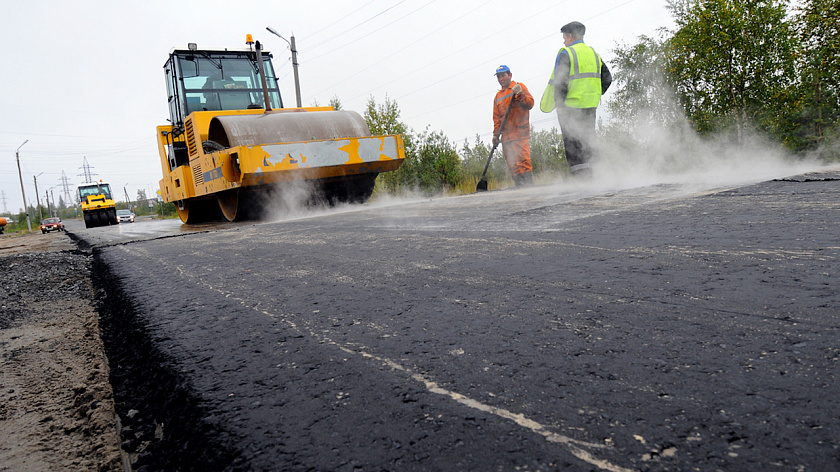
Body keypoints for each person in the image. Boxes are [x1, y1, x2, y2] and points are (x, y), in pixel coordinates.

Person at [540, 21, 612, 177]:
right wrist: (595, 94)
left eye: (564, 37)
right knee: (589, 142)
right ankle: (597, 178)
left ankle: (581, 182)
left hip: (570, 108)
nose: (564, 41)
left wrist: (560, 105)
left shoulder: (567, 53)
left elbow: (560, 83)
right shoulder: (594, 54)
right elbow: (607, 78)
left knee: (573, 145)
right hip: (590, 107)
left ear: (570, 36)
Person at [493, 65, 535, 186]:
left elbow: (530, 104)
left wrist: (520, 94)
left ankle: (529, 188)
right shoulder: (498, 97)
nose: (501, 79)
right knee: (513, 164)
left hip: (520, 133)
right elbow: (496, 119)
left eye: (503, 76)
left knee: (523, 161)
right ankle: (519, 189)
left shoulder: (519, 87)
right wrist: (496, 136)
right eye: (499, 77)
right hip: (506, 137)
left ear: (510, 75)